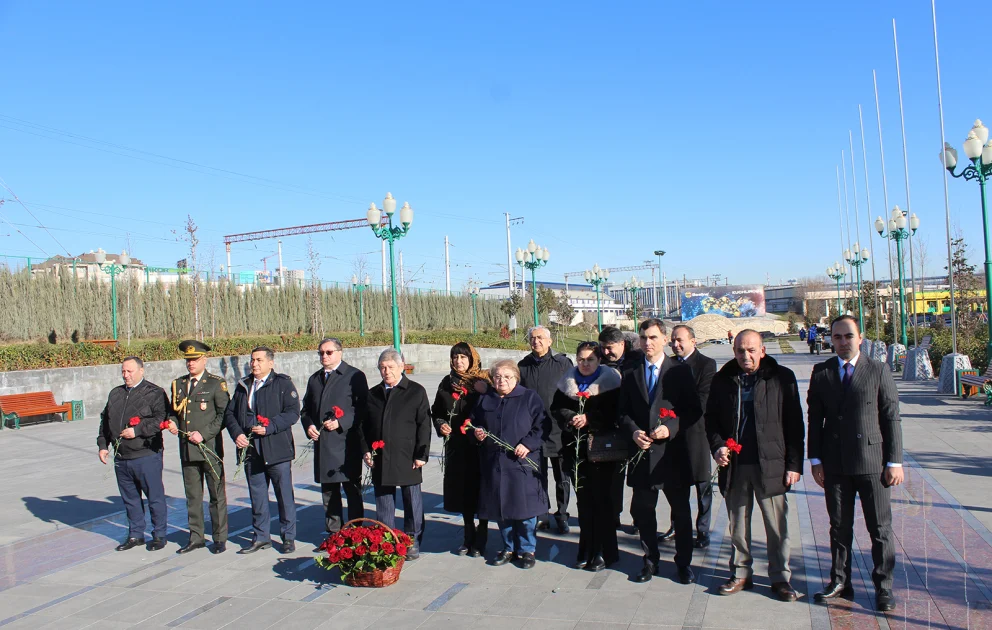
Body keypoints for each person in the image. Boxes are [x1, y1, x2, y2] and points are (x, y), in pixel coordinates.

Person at [807, 315, 903, 612]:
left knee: (880, 529)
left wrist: (895, 461)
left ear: (860, 338)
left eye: (848, 336)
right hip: (835, 464)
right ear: (830, 339)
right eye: (837, 337)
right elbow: (814, 419)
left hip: (872, 462)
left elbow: (891, 417)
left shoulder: (877, 370)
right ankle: (840, 581)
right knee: (839, 527)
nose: (843, 342)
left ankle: (883, 587)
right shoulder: (821, 372)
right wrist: (815, 458)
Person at [706, 330, 804, 602]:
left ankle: (780, 578)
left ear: (762, 350)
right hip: (736, 464)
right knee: (738, 524)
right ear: (733, 351)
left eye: (751, 350)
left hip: (771, 464)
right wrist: (717, 447)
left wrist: (794, 464)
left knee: (776, 527)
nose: (745, 356)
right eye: (740, 350)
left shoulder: (782, 378)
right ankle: (740, 573)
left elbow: (795, 423)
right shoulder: (723, 379)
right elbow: (711, 420)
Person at [619, 318, 701, 584]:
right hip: (642, 454)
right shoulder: (630, 371)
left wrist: (671, 427)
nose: (647, 343)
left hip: (672, 455)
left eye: (653, 337)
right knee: (644, 512)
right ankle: (650, 560)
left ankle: (683, 563)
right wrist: (632, 431)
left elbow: (692, 410)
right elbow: (622, 411)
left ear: (665, 339)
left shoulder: (679, 370)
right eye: (643, 338)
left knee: (681, 512)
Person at [551, 342, 622, 572]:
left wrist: (590, 418)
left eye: (590, 359)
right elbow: (556, 408)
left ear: (599, 360)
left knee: (603, 501)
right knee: (584, 501)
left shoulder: (611, 381)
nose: (585, 363)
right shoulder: (567, 382)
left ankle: (604, 551)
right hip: (576, 449)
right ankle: (585, 548)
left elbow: (617, 411)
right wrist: (572, 416)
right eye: (581, 359)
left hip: (604, 451)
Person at [473, 359, 550, 570]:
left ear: (516, 378)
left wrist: (528, 444)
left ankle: (527, 550)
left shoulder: (529, 397)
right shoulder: (486, 399)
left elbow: (543, 425)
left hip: (522, 463)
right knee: (502, 509)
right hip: (495, 465)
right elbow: (475, 421)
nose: (502, 381)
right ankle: (508, 547)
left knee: (524, 510)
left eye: (507, 377)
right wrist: (477, 432)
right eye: (497, 377)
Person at [224, 346, 301, 554]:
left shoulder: (283, 384)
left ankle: (288, 537)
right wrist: (237, 434)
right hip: (251, 450)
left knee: (284, 495)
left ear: (270, 363)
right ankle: (260, 537)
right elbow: (230, 414)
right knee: (257, 496)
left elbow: (293, 413)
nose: (254, 364)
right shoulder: (243, 385)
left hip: (277, 449)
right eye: (252, 360)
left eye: (259, 360)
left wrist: (270, 427)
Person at [363, 349, 432, 560]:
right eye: (382, 367)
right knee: (383, 501)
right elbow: (363, 426)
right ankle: (385, 539)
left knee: (412, 500)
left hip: (408, 456)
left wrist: (422, 454)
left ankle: (411, 540)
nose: (386, 371)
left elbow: (424, 425)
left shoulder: (415, 391)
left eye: (390, 367)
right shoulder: (373, 394)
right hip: (381, 457)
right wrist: (366, 450)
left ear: (401, 367)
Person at [97, 357, 169, 552]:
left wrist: (137, 431)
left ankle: (159, 534)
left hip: (146, 454)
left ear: (141, 371)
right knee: (130, 499)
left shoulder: (155, 393)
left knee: (154, 497)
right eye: (123, 372)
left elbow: (161, 419)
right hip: (122, 457)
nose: (126, 375)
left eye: (129, 371)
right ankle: (136, 534)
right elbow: (105, 420)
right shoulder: (116, 393)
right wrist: (103, 445)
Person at [166, 340, 230, 555]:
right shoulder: (179, 384)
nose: (190, 364)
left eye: (194, 360)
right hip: (187, 449)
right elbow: (172, 411)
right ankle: (196, 537)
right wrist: (172, 422)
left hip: (209, 448)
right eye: (188, 360)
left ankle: (219, 538)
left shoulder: (215, 384)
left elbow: (224, 414)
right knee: (192, 495)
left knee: (216, 494)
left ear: (204, 359)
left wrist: (204, 434)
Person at [300, 337, 369, 538]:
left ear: (340, 352)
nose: (324, 356)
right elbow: (306, 410)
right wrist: (309, 425)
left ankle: (356, 532)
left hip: (346, 444)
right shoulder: (315, 379)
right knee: (329, 492)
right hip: (324, 445)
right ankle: (334, 533)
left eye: (329, 352)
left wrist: (341, 422)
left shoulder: (354, 375)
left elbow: (362, 407)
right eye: (321, 353)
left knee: (352, 490)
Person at [431, 342, 491, 557]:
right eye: (455, 357)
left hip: (479, 445)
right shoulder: (447, 383)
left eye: (463, 357)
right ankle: (468, 535)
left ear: (472, 359)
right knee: (463, 492)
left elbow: (494, 407)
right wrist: (440, 424)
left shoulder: (483, 381)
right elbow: (436, 410)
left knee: (481, 489)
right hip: (457, 445)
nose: (459, 361)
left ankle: (482, 535)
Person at [659, 325, 716, 549]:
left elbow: (703, 399)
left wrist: (676, 417)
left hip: (695, 432)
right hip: (672, 435)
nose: (676, 345)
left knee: (702, 484)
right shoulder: (669, 364)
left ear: (694, 341)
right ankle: (677, 525)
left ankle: (702, 530)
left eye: (680, 340)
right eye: (673, 340)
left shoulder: (706, 364)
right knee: (675, 484)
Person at [517, 325, 573, 533]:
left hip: (559, 429)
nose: (536, 341)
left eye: (540, 338)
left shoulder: (562, 364)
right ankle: (542, 514)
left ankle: (563, 513)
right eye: (532, 338)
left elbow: (572, 392)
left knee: (562, 477)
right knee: (537, 475)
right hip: (534, 431)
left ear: (550, 341)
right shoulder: (522, 367)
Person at [599, 325, 642, 529]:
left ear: (622, 344)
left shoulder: (637, 361)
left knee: (637, 475)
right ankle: (613, 514)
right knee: (613, 477)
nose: (607, 352)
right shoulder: (600, 363)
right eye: (603, 348)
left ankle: (638, 516)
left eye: (610, 347)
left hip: (635, 426)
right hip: (610, 427)